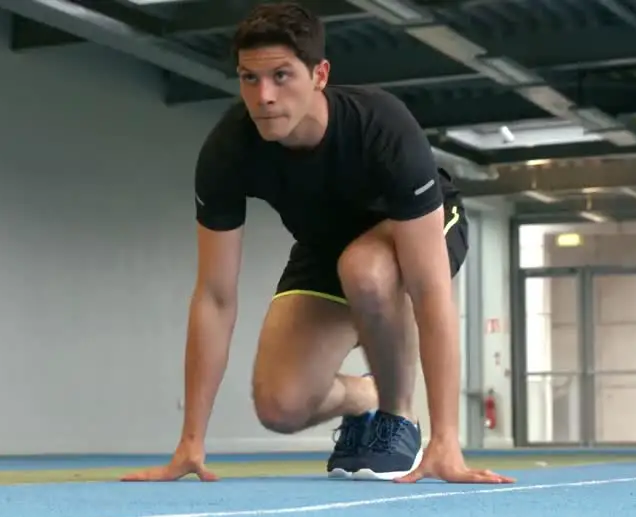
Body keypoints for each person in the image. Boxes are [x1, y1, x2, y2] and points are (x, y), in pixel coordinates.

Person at [122, 1, 512, 484]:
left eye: (281, 76)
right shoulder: (228, 151)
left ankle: (397, 419)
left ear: (319, 74)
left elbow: (431, 293)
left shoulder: (382, 125)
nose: (263, 96)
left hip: (419, 226)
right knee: (280, 405)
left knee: (365, 269)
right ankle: (368, 397)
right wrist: (190, 442)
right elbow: (215, 297)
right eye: (249, 78)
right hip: (326, 246)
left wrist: (447, 442)